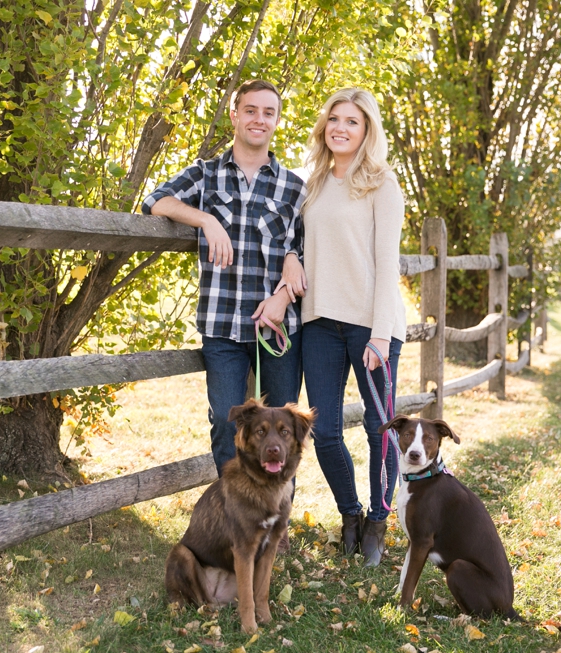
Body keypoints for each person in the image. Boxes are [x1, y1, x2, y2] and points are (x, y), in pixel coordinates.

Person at [142, 80, 306, 478]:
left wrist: (284, 292)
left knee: (286, 432)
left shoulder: (294, 187)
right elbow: (154, 201)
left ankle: (276, 523)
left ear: (277, 120)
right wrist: (206, 219)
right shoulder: (206, 174)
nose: (259, 119)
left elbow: (303, 250)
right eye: (250, 110)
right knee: (225, 425)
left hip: (278, 327)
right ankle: (239, 516)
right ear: (235, 115)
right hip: (223, 325)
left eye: (269, 112)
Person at [293, 88, 407, 566]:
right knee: (325, 431)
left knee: (381, 430)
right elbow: (293, 241)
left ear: (367, 131)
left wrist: (380, 332)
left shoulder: (382, 183)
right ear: (324, 126)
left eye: (352, 121)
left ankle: (379, 521)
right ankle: (350, 515)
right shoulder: (311, 183)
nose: (340, 127)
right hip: (319, 322)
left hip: (370, 325)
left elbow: (386, 262)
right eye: (334, 118)